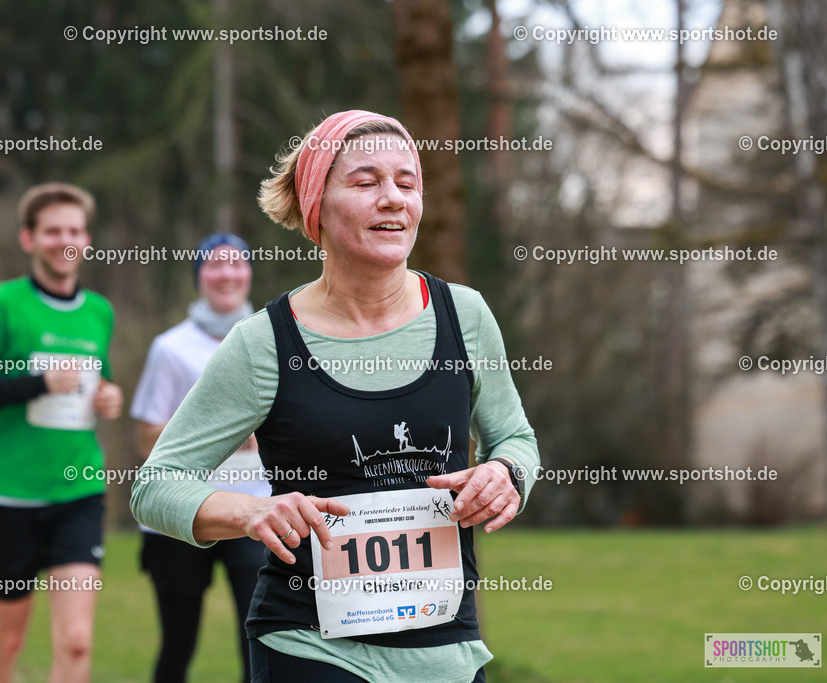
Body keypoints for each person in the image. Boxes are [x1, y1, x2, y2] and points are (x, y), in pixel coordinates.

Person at [131, 110, 539, 682]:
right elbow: (155, 484)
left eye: (407, 182)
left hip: (447, 650)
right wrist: (252, 511)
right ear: (316, 206)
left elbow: (515, 438)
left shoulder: (464, 315)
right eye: (366, 182)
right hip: (311, 645)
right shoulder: (263, 343)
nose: (393, 198)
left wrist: (507, 475)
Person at [0, 182, 123, 683]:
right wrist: (37, 383)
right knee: (7, 642)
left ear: (86, 239)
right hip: (10, 498)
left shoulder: (99, 311)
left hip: (79, 493)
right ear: (29, 239)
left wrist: (108, 396)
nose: (63, 240)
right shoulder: (0, 305)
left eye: (73, 230)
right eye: (52, 231)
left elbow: (97, 380)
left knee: (76, 643)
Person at [131, 233, 269, 682]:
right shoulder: (170, 348)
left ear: (249, 273)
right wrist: (219, 437)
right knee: (178, 643)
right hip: (178, 512)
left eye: (237, 264)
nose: (227, 273)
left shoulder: (273, 341)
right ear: (199, 277)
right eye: (214, 265)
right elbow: (145, 439)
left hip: (257, 510)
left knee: (259, 640)